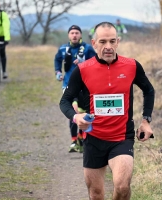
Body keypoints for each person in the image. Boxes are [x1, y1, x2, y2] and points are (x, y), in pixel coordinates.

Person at [59, 22, 155, 199]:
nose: (108, 46)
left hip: (122, 138)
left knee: (122, 186)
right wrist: (75, 117)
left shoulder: (132, 66)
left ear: (118, 42)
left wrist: (146, 121)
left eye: (112, 41)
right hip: (93, 139)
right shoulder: (82, 70)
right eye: (103, 42)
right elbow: (64, 100)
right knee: (96, 194)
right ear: (94, 43)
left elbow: (149, 90)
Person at [54, 25, 95, 153]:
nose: (74, 35)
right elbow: (57, 60)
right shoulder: (62, 49)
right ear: (68, 35)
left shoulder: (88, 49)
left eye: (77, 33)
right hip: (68, 85)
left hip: (85, 86)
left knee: (84, 112)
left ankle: (81, 138)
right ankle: (73, 141)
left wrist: (85, 63)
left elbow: (96, 62)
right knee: (73, 111)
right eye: (72, 33)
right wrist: (58, 72)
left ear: (81, 35)